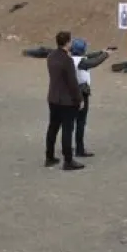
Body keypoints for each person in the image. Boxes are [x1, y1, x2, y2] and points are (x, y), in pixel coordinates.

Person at [45, 31, 85, 171]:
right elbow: (72, 82)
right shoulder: (67, 60)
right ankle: (68, 160)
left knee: (53, 128)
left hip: (53, 98)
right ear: (68, 42)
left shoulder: (51, 56)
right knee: (67, 130)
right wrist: (79, 99)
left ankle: (49, 156)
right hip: (66, 101)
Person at [68, 38, 112, 158]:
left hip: (70, 93)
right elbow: (94, 62)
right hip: (81, 93)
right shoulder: (81, 63)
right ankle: (79, 149)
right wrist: (105, 55)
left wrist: (101, 51)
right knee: (80, 122)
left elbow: (89, 56)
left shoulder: (71, 59)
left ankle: (67, 146)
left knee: (70, 122)